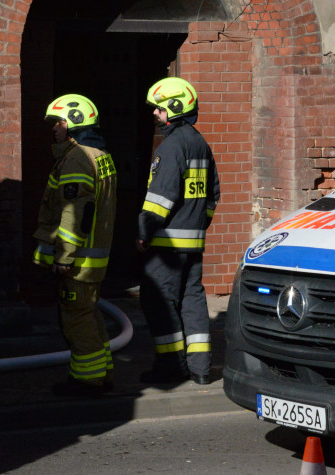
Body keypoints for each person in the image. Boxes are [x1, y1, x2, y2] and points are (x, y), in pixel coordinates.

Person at [32, 94, 117, 397]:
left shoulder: (77, 158)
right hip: (95, 258)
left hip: (78, 260)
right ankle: (103, 371)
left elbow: (74, 212)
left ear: (73, 123)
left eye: (58, 122)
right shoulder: (100, 155)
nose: (53, 128)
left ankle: (87, 380)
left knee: (77, 318)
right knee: (89, 313)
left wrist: (64, 257)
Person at [136, 77, 219, 385]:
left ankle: (171, 368)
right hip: (193, 243)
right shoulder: (200, 143)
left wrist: (144, 230)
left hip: (166, 244)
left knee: (160, 302)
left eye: (158, 110)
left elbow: (161, 197)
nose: (155, 116)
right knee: (192, 299)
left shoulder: (171, 146)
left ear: (172, 109)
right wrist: (199, 223)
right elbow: (213, 194)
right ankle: (200, 368)